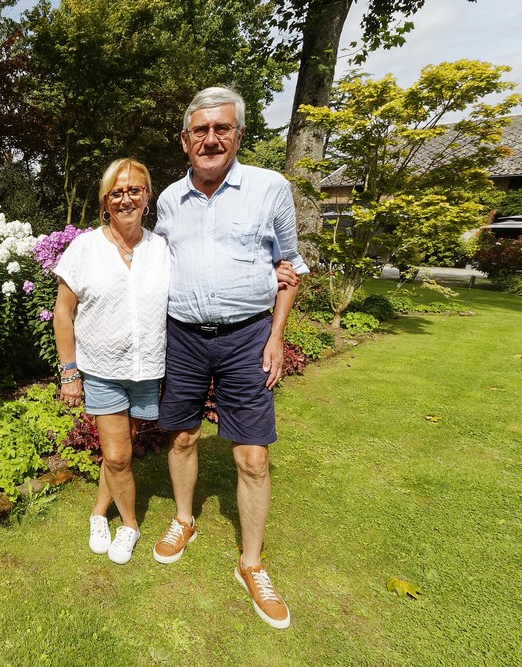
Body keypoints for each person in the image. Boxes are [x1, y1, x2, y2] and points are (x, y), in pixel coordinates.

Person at [151, 86, 309, 630]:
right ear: (185, 140)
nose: (211, 139)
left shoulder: (270, 188)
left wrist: (276, 335)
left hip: (247, 337)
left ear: (239, 134)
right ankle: (183, 518)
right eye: (201, 130)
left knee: (253, 456)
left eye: (222, 129)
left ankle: (252, 563)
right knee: (182, 436)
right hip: (185, 338)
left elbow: (291, 264)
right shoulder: (169, 199)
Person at [52, 158, 169, 565]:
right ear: (105, 200)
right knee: (119, 456)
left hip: (146, 369)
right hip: (102, 369)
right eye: (117, 192)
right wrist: (69, 373)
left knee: (120, 450)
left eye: (134, 190)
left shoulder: (161, 248)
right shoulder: (85, 247)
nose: (126, 199)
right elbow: (62, 312)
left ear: (147, 196)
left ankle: (98, 512)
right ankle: (130, 525)